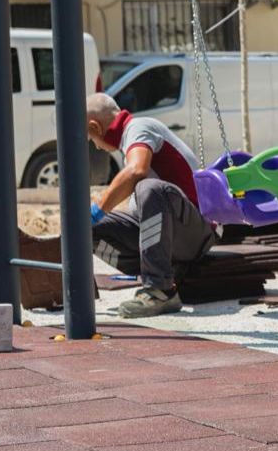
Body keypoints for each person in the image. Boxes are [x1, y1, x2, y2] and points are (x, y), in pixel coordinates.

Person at [86, 93, 217, 319]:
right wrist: (89, 220)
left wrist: (98, 210)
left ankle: (160, 290)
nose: (96, 147)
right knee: (87, 229)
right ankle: (160, 271)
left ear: (95, 127)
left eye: (91, 138)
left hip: (196, 233)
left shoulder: (138, 128)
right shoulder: (129, 141)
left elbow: (137, 170)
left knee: (148, 187)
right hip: (173, 235)